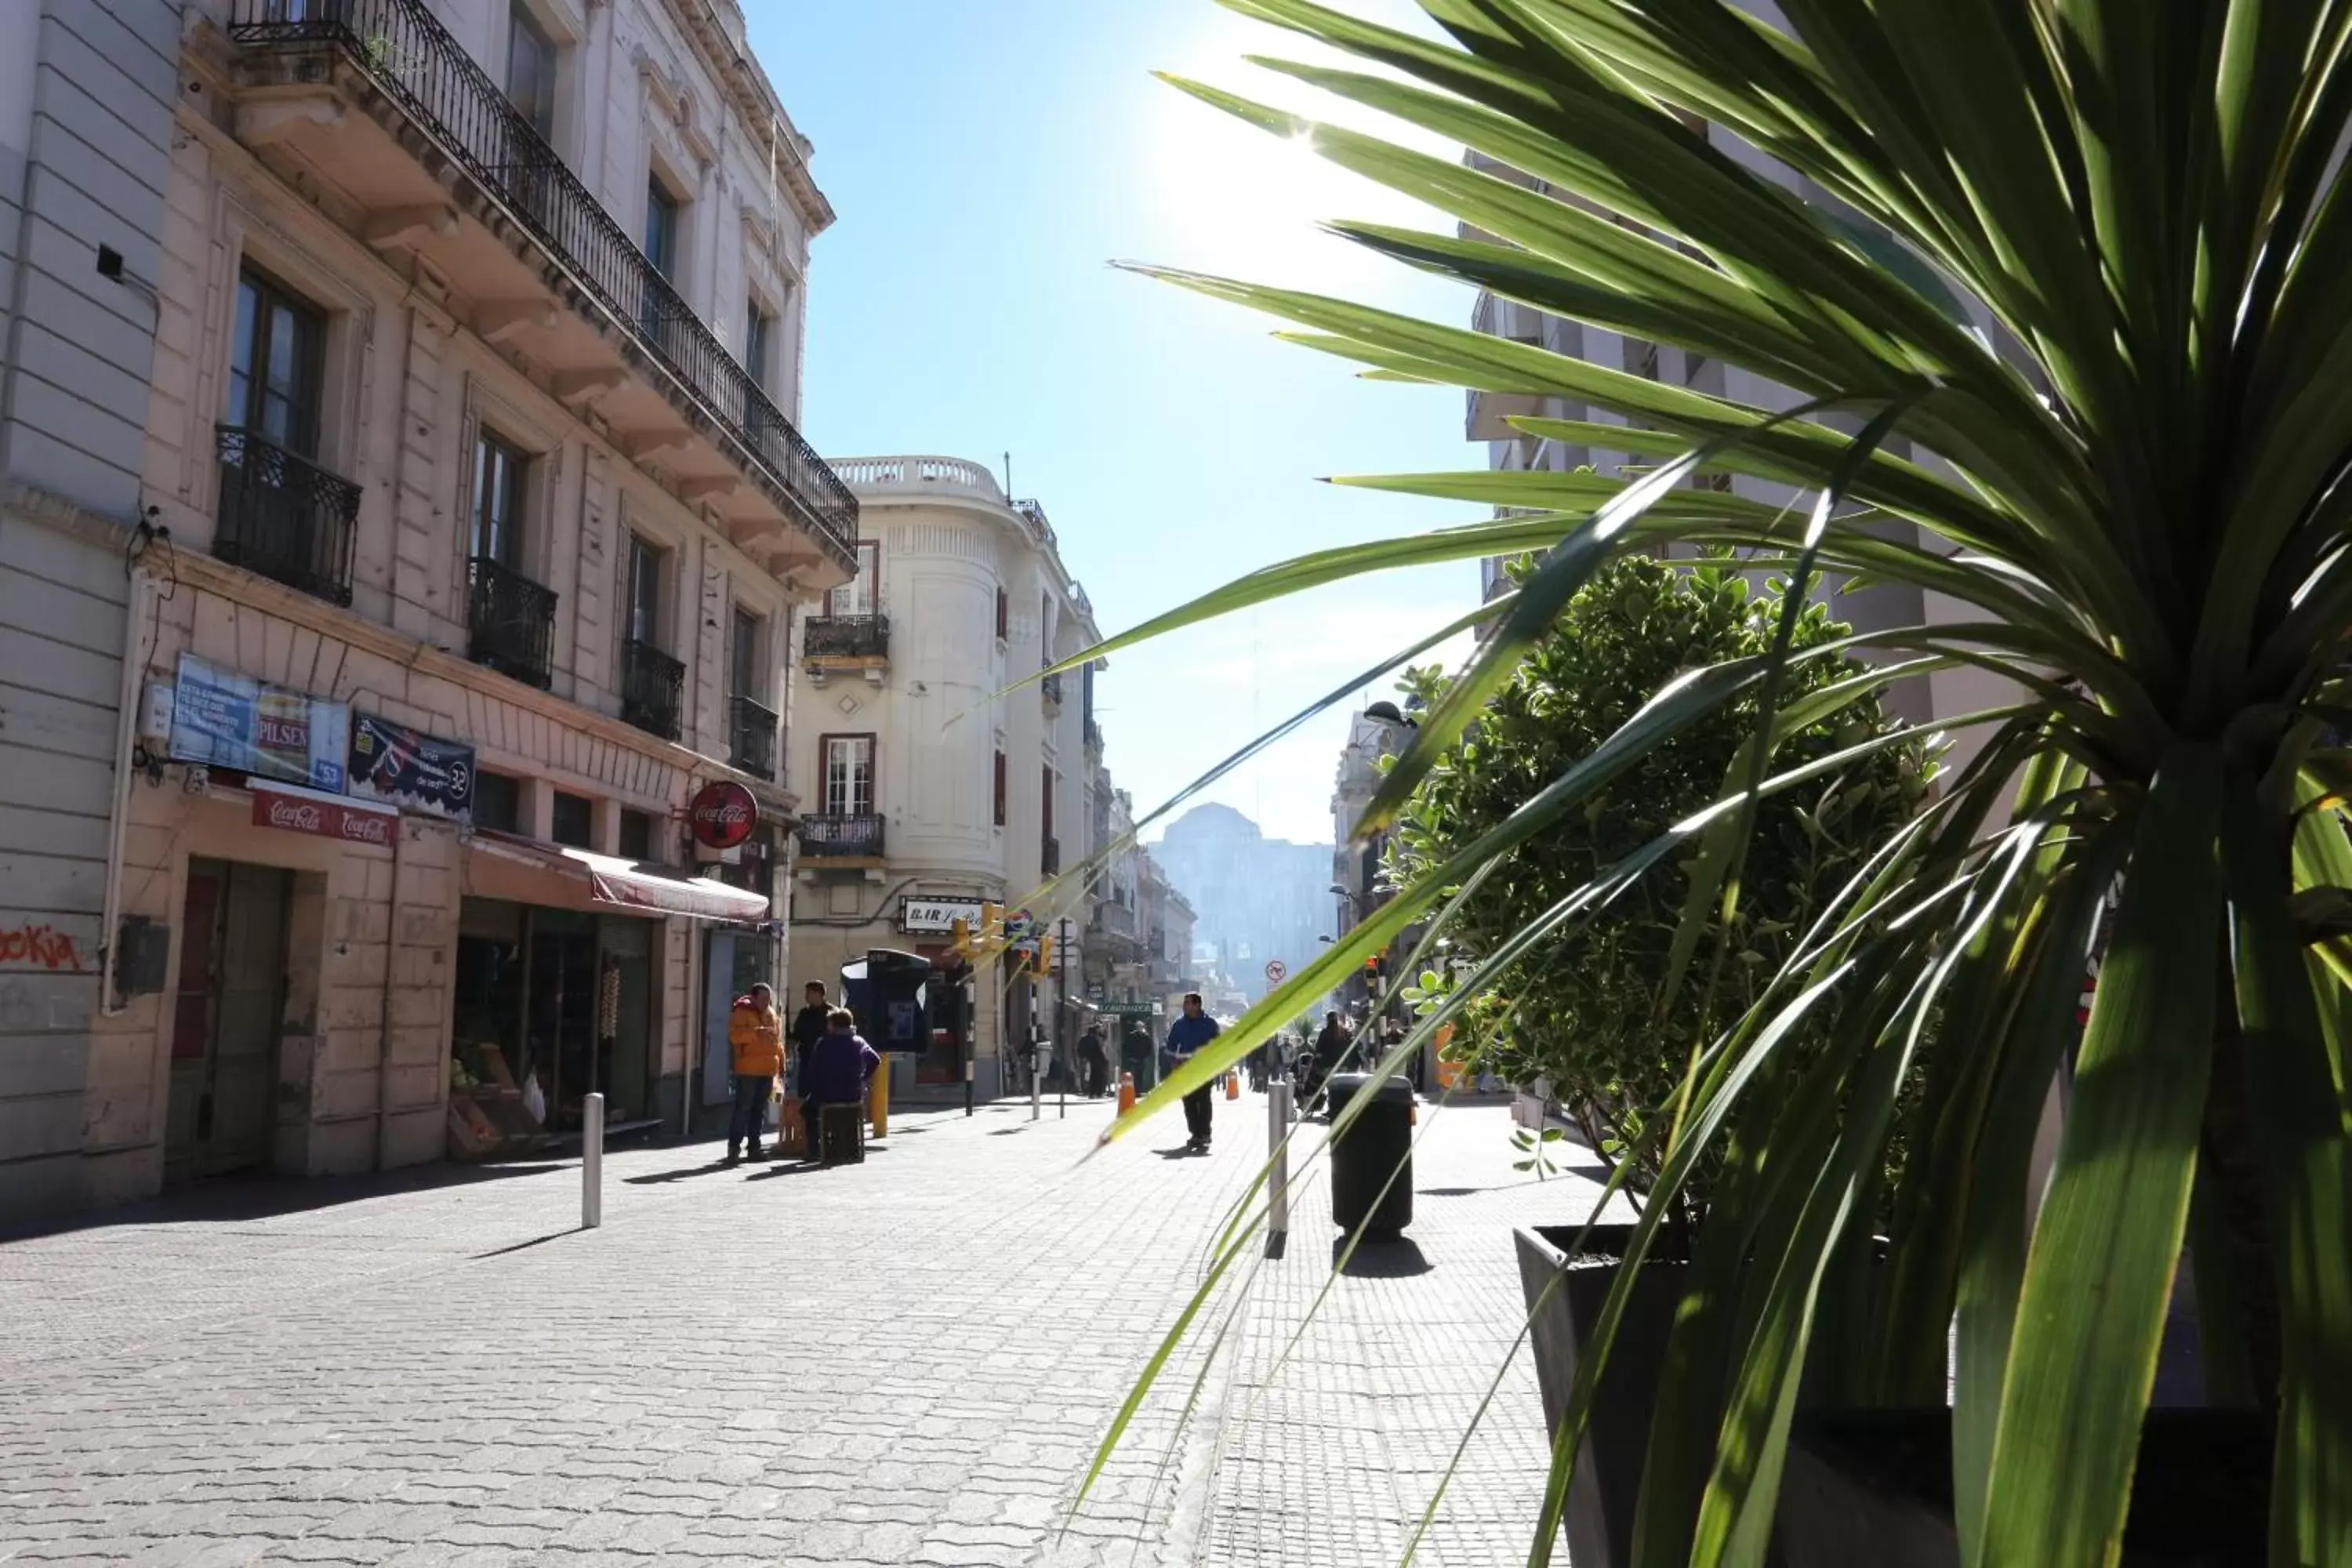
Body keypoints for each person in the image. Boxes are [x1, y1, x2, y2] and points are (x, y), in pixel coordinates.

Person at [801, 1007, 881, 1162]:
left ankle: (814, 1149)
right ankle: (848, 1147)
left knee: (808, 1110)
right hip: (853, 1094)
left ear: (834, 1025)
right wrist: (863, 1078)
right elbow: (875, 1060)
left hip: (827, 1095)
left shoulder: (823, 1043)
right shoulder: (860, 1042)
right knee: (847, 1115)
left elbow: (813, 1068)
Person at [724, 983, 784, 1163]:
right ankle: (734, 1148)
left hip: (767, 1069)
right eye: (763, 998)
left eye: (769, 999)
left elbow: (777, 1041)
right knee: (743, 1108)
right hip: (748, 1069)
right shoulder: (742, 1012)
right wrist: (756, 1033)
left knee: (759, 1110)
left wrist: (781, 1062)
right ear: (754, 997)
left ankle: (754, 1148)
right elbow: (734, 1036)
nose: (767, 1002)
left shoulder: (771, 1014)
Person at [1164, 993, 1221, 1152]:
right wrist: (1173, 1064)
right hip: (1185, 1070)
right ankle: (1195, 1133)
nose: (1185, 1006)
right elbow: (1170, 1046)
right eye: (1185, 1003)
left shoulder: (1210, 1024)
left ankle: (1205, 1133)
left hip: (1204, 1069)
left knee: (1203, 1101)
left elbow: (1219, 1045)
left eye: (1188, 1003)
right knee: (1189, 1103)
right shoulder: (1179, 1024)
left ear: (1197, 1005)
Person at [789, 981, 830, 1093]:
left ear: (818, 994)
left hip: (825, 1061)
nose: (806, 996)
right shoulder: (805, 1013)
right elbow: (797, 1033)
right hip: (807, 1059)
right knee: (805, 1092)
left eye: (809, 993)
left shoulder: (830, 1013)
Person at [1077, 1024, 1109, 1098]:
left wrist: (1082, 1057)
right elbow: (1098, 1050)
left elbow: (1079, 1049)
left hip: (1086, 1060)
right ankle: (1098, 1093)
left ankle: (1088, 1092)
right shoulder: (1094, 1040)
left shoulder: (1084, 1039)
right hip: (1095, 1061)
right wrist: (1104, 1060)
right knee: (1097, 1077)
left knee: (1086, 1076)